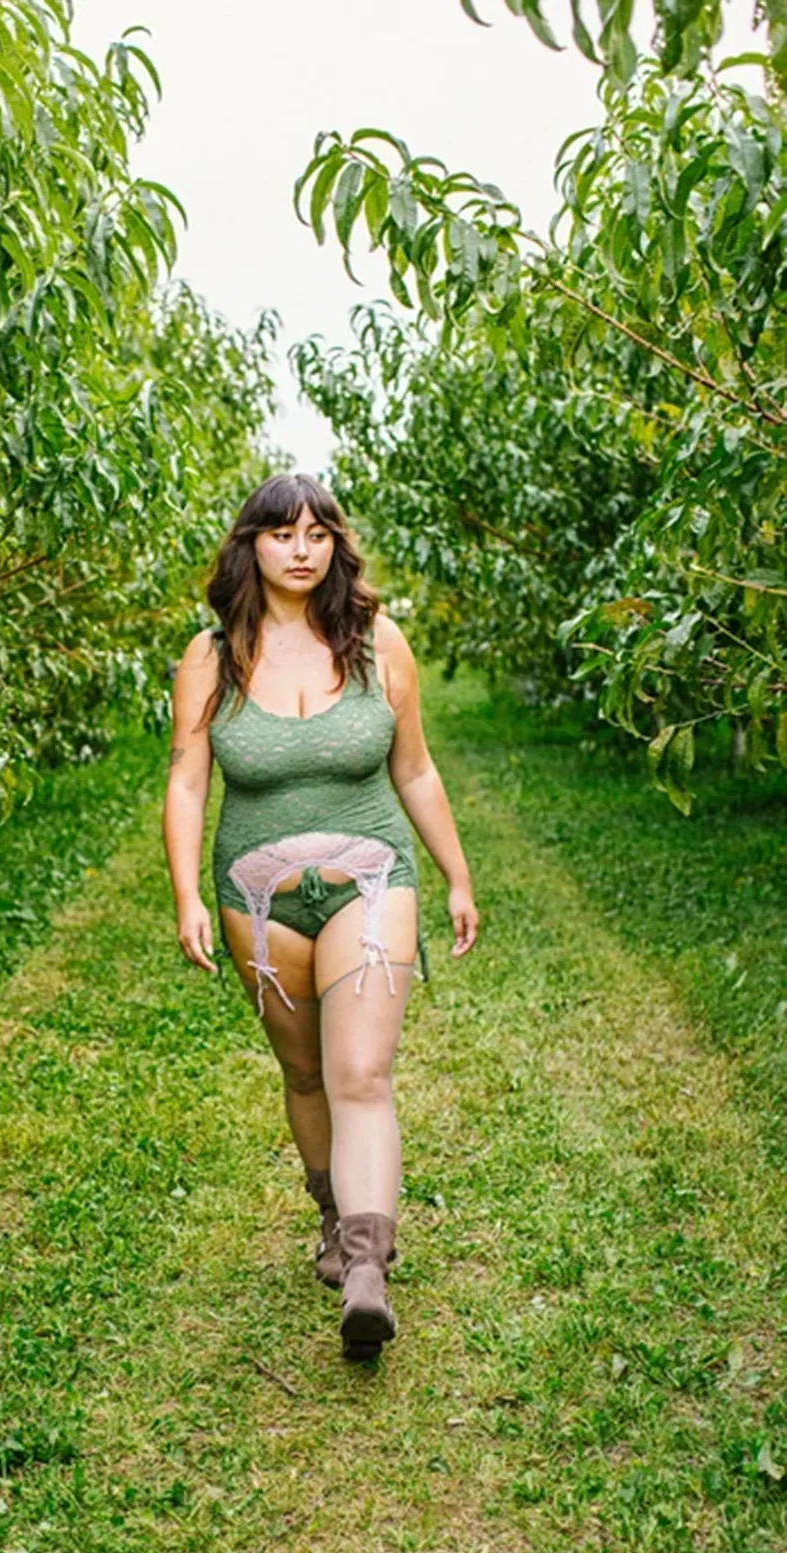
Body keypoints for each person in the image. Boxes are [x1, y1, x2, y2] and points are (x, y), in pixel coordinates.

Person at [162, 473, 478, 1359]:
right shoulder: (211, 657)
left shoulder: (378, 643)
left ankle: (369, 1272)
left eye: (317, 534)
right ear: (250, 546)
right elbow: (188, 783)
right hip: (257, 900)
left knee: (361, 1073)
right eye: (281, 534)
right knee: (305, 1077)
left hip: (372, 876)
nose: (301, 550)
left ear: (336, 545)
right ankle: (337, 1225)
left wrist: (456, 874)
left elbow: (415, 770)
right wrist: (186, 892)